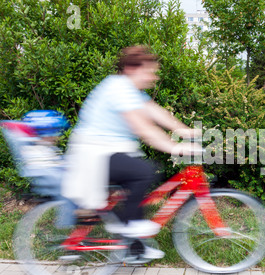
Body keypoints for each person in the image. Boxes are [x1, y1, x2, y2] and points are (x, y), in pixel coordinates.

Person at [61, 46, 201, 259]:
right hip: (93, 155)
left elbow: (158, 113)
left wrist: (187, 132)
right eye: (149, 71)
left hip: (108, 152)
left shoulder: (134, 92)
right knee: (143, 172)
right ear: (130, 69)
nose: (153, 77)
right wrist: (176, 148)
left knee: (135, 186)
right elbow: (144, 129)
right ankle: (130, 227)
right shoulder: (119, 88)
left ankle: (135, 249)